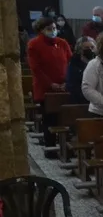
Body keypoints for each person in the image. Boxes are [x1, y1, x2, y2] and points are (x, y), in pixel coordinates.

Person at [26, 17, 72, 146]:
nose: (53, 31)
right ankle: (50, 144)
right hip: (44, 88)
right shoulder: (34, 44)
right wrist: (51, 84)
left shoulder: (62, 42)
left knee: (65, 116)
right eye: (49, 29)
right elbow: (36, 68)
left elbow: (70, 62)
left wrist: (65, 82)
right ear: (41, 30)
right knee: (49, 118)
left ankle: (66, 145)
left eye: (54, 28)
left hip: (63, 86)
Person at [66, 37, 96, 104]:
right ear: (80, 50)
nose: (90, 50)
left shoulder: (98, 63)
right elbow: (73, 87)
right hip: (80, 102)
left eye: (92, 47)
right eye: (86, 48)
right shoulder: (73, 66)